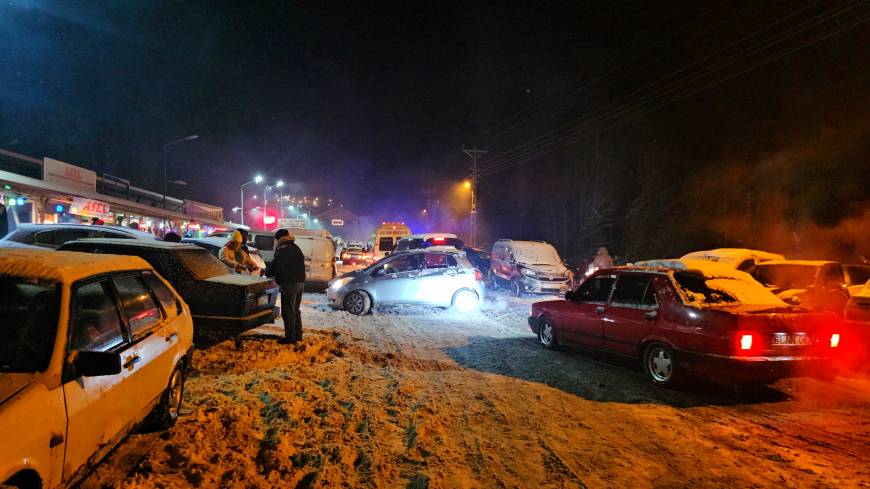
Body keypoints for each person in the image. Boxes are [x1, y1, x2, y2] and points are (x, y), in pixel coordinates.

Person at [265, 229, 306, 344]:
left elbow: (276, 266)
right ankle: (298, 335)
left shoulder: (282, 249)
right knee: (295, 310)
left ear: (279, 239)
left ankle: (290, 338)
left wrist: (267, 272)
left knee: (288, 311)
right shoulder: (296, 247)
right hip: (300, 282)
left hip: (289, 283)